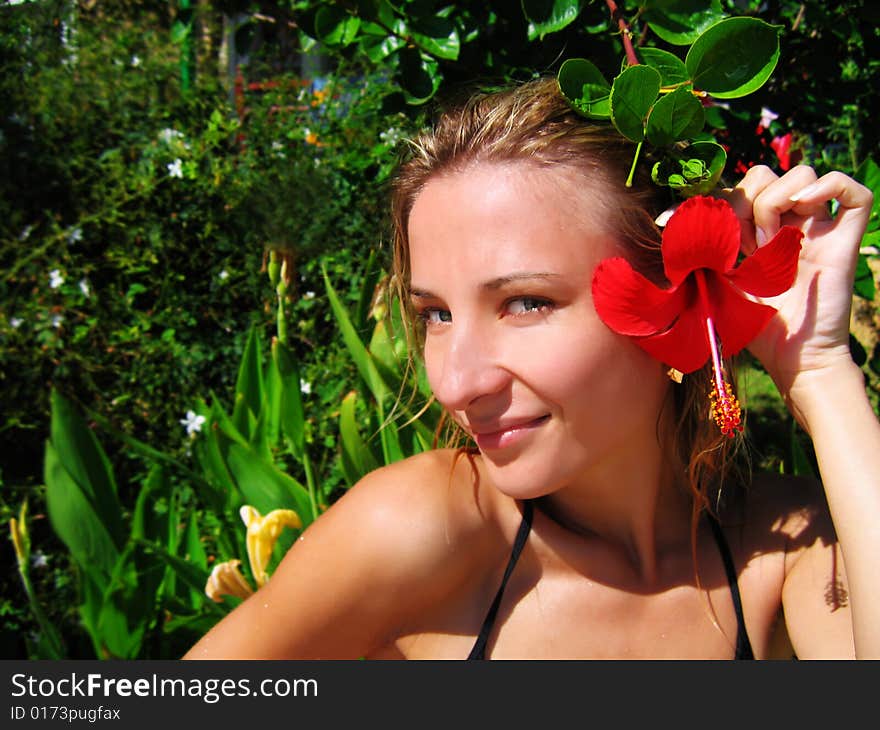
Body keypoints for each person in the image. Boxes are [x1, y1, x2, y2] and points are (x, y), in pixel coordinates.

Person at [184, 77, 879, 660]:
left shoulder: (786, 549)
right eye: (435, 314)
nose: (456, 384)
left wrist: (820, 373)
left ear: (668, 301)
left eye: (524, 302)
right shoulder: (423, 534)